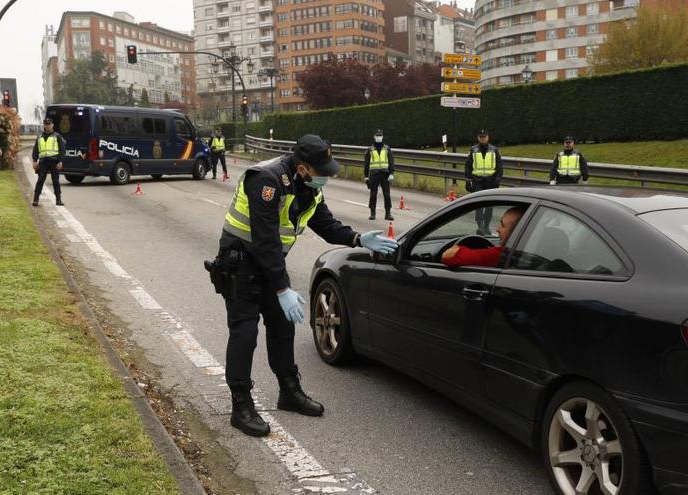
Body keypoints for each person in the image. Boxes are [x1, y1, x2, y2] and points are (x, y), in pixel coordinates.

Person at [216, 134, 398, 437]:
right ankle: (241, 405)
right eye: (321, 171)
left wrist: (358, 238)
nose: (326, 176)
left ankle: (289, 391)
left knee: (283, 328)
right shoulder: (266, 180)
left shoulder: (308, 188)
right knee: (245, 333)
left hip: (269, 264)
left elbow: (325, 224)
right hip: (241, 263)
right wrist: (282, 288)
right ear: (302, 168)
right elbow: (265, 240)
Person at [442, 207, 525, 267]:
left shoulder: (501, 255)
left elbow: (448, 256)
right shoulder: (528, 255)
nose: (497, 229)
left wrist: (456, 247)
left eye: (503, 225)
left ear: (516, 232)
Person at [464, 129, 503, 235]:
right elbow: (468, 165)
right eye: (481, 137)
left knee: (489, 206)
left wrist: (498, 178)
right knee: (479, 205)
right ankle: (480, 227)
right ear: (478, 138)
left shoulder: (494, 150)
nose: (482, 138)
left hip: (491, 182)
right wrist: (468, 180)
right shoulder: (473, 150)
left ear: (488, 137)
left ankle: (486, 226)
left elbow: (499, 165)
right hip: (478, 181)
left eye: (484, 137)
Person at [31, 117, 67, 206]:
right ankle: (36, 200)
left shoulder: (57, 136)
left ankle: (58, 200)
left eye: (49, 124)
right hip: (43, 162)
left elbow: (62, 150)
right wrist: (35, 161)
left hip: (54, 161)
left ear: (52, 125)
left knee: (56, 181)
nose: (47, 126)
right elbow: (35, 150)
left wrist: (60, 161)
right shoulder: (39, 137)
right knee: (40, 181)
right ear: (44, 125)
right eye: (46, 124)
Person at [363, 129, 395, 221]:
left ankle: (388, 214)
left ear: (382, 137)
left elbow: (391, 161)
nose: (378, 137)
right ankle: (372, 213)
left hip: (385, 174)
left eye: (380, 135)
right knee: (373, 194)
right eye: (377, 135)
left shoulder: (387, 148)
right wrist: (366, 176)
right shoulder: (370, 149)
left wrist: (392, 173)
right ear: (374, 137)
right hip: (374, 174)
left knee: (387, 195)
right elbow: (366, 164)